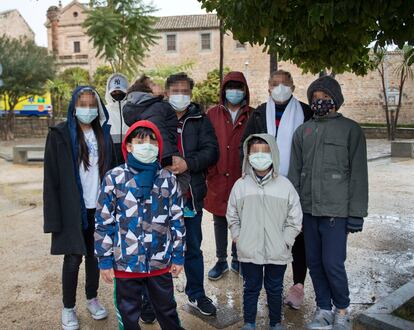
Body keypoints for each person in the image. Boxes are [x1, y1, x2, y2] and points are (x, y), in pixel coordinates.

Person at [288, 75, 368, 330]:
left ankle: (341, 309)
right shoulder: (303, 131)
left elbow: (358, 175)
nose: (319, 102)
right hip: (309, 211)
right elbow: (294, 174)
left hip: (336, 212)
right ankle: (323, 309)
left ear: (336, 100)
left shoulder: (351, 130)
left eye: (324, 98)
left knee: (333, 263)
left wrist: (356, 213)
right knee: (314, 262)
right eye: (315, 98)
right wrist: (293, 212)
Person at [95, 120, 186, 330]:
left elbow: (177, 220)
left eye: (152, 141)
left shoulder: (167, 179)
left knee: (167, 311)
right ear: (128, 145)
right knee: (128, 316)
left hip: (159, 262)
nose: (147, 146)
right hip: (126, 263)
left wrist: (178, 255)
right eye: (140, 141)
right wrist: (105, 260)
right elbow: (104, 222)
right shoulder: (114, 178)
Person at [43, 86, 114, 330]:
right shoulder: (59, 135)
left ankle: (92, 298)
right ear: (74, 106)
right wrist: (53, 217)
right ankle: (68, 307)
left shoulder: (104, 134)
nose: (87, 109)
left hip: (99, 207)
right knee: (73, 258)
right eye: (82, 104)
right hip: (73, 209)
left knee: (94, 257)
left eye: (91, 104)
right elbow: (51, 179)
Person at [241, 70, 313, 310]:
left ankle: (298, 286)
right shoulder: (260, 112)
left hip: (298, 183)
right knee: (271, 234)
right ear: (268, 86)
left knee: (298, 235)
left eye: (284, 83)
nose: (280, 87)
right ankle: (273, 286)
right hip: (265, 182)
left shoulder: (305, 111)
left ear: (292, 85)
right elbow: (247, 144)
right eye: (275, 83)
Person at [227, 134, 303, 330]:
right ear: (248, 155)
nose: (260, 156)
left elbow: (295, 218)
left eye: (265, 152)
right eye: (255, 152)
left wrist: (285, 241)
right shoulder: (240, 185)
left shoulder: (285, 186)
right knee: (250, 288)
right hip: (249, 250)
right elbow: (232, 214)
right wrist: (238, 236)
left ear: (274, 155)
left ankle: (276, 323)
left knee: (275, 288)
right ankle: (249, 323)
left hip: (277, 250)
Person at [165, 72, 219, 316]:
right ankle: (155, 299)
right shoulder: (158, 117)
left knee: (193, 248)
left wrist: (189, 163)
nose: (180, 95)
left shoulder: (200, 119)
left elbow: (212, 152)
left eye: (184, 91)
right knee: (158, 248)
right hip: (161, 198)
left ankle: (196, 294)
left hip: (190, 197)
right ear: (166, 94)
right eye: (175, 90)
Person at [204, 71, 253, 280]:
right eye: (230, 87)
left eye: (239, 87)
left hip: (241, 175)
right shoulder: (213, 113)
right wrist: (210, 169)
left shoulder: (252, 114)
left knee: (240, 219)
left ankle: (237, 258)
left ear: (245, 91)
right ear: (224, 90)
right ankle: (221, 260)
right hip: (217, 175)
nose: (234, 91)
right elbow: (205, 141)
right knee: (219, 219)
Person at [122, 74, 179, 168]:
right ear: (147, 91)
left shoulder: (143, 108)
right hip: (168, 158)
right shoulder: (155, 108)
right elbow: (161, 132)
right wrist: (167, 161)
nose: (157, 85)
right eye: (153, 84)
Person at [105, 73, 129, 165]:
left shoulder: (132, 110)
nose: (117, 94)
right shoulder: (104, 111)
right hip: (109, 159)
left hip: (129, 159)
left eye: (121, 91)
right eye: (114, 92)